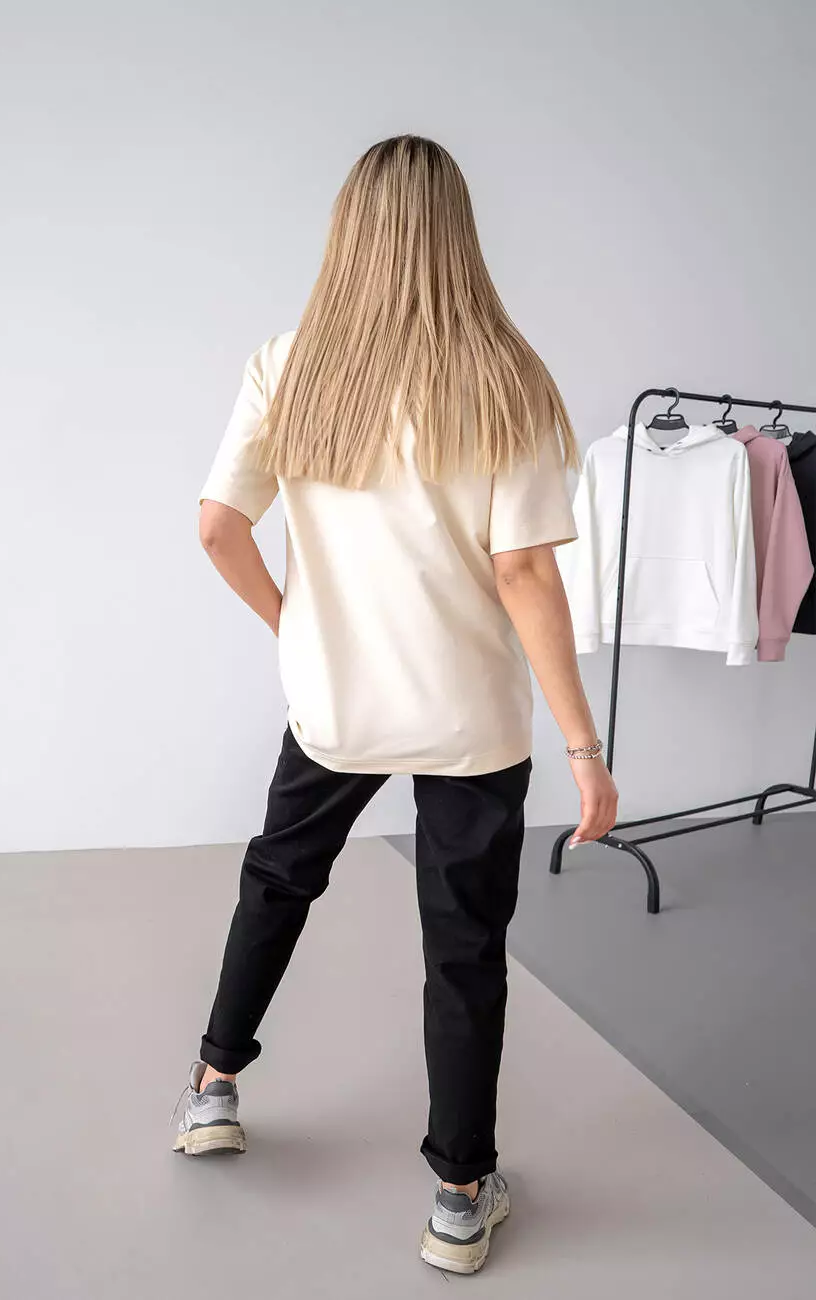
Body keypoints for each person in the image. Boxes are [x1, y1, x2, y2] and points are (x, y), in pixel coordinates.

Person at [174, 134, 618, 1275]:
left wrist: (294, 626)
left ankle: (214, 1087)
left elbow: (218, 528)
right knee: (464, 947)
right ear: (457, 234)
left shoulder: (290, 365)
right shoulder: (509, 379)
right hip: (470, 718)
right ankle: (459, 1197)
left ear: (349, 231)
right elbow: (526, 574)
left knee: (278, 880)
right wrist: (584, 748)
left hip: (335, 701)